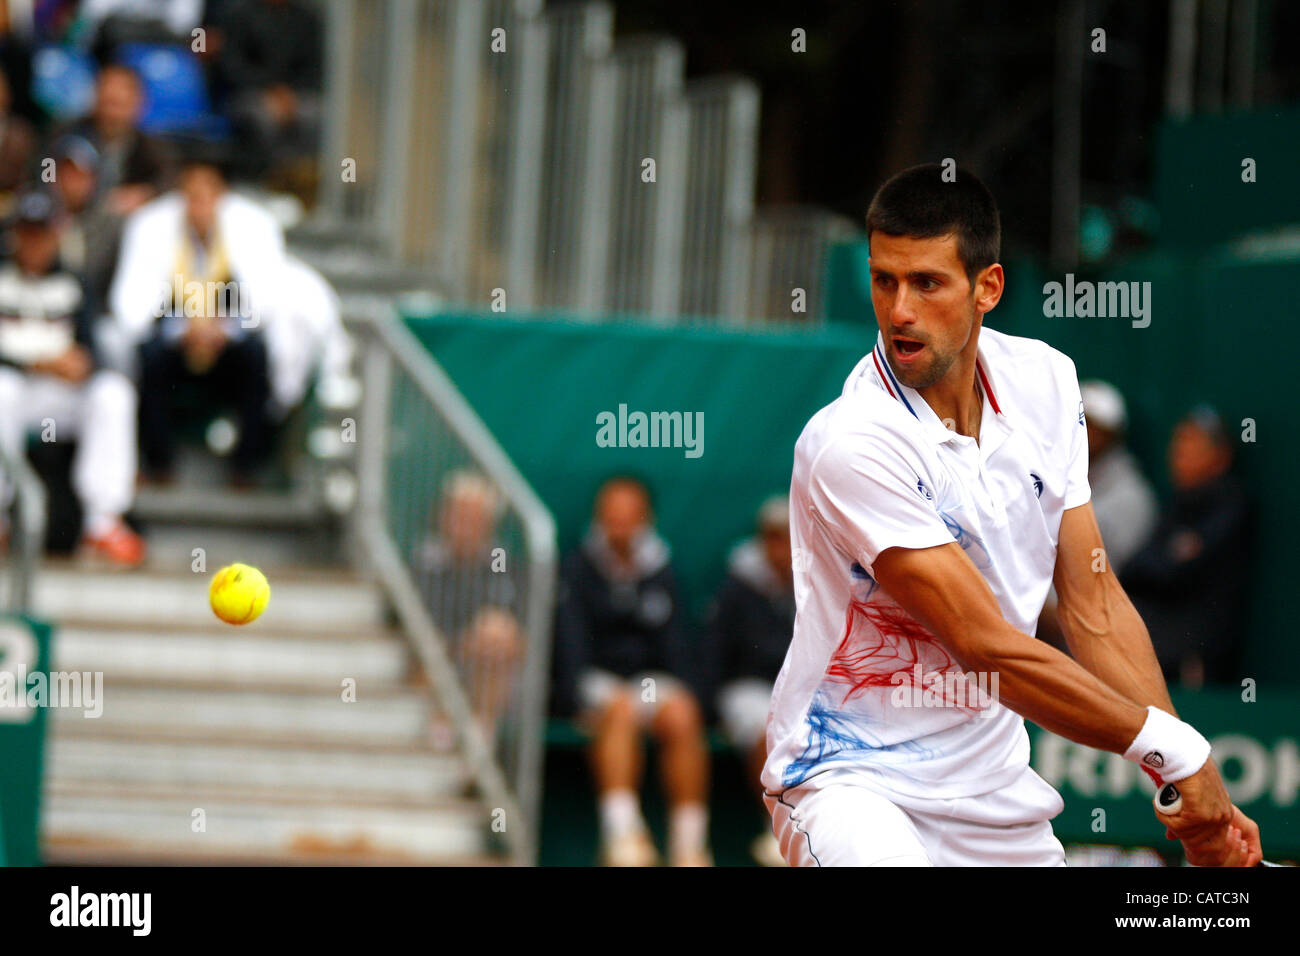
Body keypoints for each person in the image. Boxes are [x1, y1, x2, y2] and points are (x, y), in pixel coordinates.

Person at [763, 164, 1261, 867]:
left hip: (994, 793)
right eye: (884, 280)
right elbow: (986, 647)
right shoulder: (850, 443)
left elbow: (1093, 605)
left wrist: (1185, 783)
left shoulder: (1047, 381)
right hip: (852, 784)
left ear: (987, 288)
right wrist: (1179, 751)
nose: (899, 309)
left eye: (927, 283)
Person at [553, 476, 712, 867]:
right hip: (595, 681)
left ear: (645, 518)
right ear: (599, 517)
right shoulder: (575, 568)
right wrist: (572, 702)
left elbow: (675, 646)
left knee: (681, 713)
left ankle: (688, 846)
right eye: (612, 514)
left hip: (647, 682)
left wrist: (685, 694)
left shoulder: (663, 569)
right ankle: (623, 838)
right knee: (621, 708)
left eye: (629, 515)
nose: (620, 523)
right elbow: (569, 646)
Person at [109, 146, 282, 485]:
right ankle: (159, 463)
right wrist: (180, 329)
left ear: (222, 196)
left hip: (228, 341)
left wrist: (224, 329)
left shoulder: (253, 229)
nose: (198, 203)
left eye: (207, 194)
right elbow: (131, 303)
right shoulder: (151, 227)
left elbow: (267, 300)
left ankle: (246, 467)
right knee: (149, 355)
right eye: (191, 194)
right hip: (175, 338)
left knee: (257, 354)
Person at [0, 189, 143, 565]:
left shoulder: (75, 283)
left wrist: (82, 363)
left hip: (62, 396)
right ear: (14, 234)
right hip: (17, 391)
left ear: (56, 234)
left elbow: (93, 347)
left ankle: (103, 522)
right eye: (27, 232)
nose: (34, 242)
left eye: (42, 232)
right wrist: (40, 364)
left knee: (113, 393)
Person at [1122, 406, 1252, 688]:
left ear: (1221, 457)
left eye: (1192, 444)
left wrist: (1158, 564)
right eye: (1178, 443)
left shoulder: (1229, 502)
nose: (1180, 453)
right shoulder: (1176, 504)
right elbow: (1136, 567)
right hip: (1154, 640)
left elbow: (1169, 570)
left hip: (1197, 656)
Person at [703, 495, 794, 866]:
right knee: (767, 729)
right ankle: (779, 829)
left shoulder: (821, 580)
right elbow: (716, 652)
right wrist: (708, 711)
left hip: (802, 689)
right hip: (748, 688)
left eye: (789, 537)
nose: (782, 548)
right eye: (774, 538)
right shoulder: (736, 590)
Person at [1037, 379, 1157, 647]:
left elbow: (1102, 587)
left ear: (1112, 435)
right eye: (1079, 421)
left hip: (1091, 634)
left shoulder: (1131, 498)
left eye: (1092, 425)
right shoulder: (1052, 475)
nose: (1082, 431)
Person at [413, 470, 522, 737]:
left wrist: (478, 642)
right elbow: (420, 623)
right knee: (433, 646)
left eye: (474, 517)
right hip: (434, 661)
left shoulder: (502, 563)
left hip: (485, 664)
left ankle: (478, 732)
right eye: (458, 514)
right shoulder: (422, 563)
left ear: (489, 523)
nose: (465, 523)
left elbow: (516, 624)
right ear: (442, 516)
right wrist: (459, 644)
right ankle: (444, 729)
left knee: (497, 634)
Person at [61, 63, 175, 216]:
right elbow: (42, 169)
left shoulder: (151, 149)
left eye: (119, 104)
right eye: (108, 103)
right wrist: (60, 187)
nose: (112, 115)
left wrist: (145, 194)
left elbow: (171, 184)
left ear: (139, 103)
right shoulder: (67, 135)